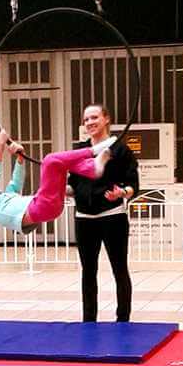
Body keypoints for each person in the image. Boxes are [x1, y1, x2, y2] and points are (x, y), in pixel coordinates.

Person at [0, 128, 115, 247]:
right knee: (50, 160)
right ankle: (93, 152)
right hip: (41, 206)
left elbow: (16, 182)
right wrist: (0, 146)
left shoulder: (2, 201)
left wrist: (20, 156)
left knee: (60, 164)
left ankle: (92, 168)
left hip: (47, 208)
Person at [68, 104, 139, 323]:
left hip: (113, 217)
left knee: (120, 269)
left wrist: (122, 193)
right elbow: (73, 186)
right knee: (88, 272)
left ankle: (123, 320)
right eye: (86, 119)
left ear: (106, 119)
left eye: (94, 117)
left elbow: (133, 186)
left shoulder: (120, 150)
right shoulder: (79, 151)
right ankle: (88, 321)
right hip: (84, 220)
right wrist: (59, 190)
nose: (90, 122)